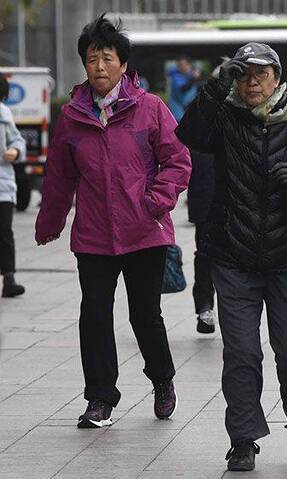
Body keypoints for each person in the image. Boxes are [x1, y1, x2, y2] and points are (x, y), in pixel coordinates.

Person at [176, 42, 287, 472]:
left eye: (261, 73)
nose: (253, 81)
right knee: (242, 355)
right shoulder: (224, 117)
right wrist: (214, 86)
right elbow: (190, 134)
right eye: (244, 73)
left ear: (277, 77)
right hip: (234, 258)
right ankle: (243, 439)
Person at [35, 15, 191, 429]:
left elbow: (177, 161)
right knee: (95, 315)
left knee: (145, 315)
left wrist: (155, 202)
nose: (99, 66)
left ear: (123, 64)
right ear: (84, 65)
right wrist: (49, 222)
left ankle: (162, 380)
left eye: (107, 58)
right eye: (92, 59)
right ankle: (100, 398)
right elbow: (59, 175)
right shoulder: (72, 115)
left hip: (144, 231)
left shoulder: (150, 108)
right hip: (94, 236)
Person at [0, 73, 26, 298]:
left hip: (2, 187)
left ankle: (9, 278)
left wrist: (15, 151)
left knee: (4, 232)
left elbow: (17, 140)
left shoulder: (3, 115)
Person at [187, 149, 217, 334]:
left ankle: (236, 311)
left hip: (237, 202)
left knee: (234, 259)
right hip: (205, 200)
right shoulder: (200, 124)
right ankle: (205, 307)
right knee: (205, 255)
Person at [168, 56, 200, 121]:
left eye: (183, 64)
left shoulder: (190, 74)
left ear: (189, 65)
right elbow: (184, 88)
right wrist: (194, 78)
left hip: (189, 109)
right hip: (178, 112)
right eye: (179, 65)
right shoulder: (175, 75)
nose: (180, 67)